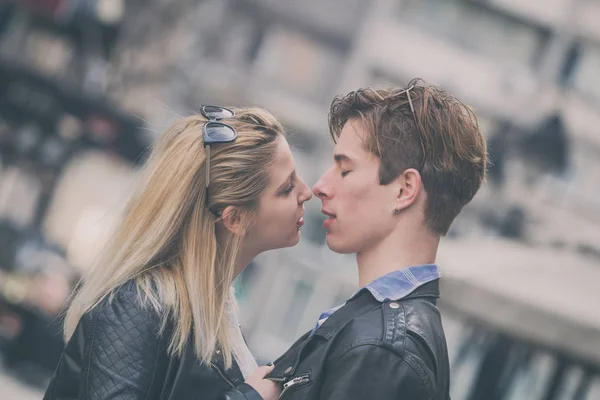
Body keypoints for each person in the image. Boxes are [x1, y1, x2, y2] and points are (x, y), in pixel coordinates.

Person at [43, 106, 312, 400]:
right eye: (287, 188)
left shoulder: (213, 311)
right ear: (235, 219)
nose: (307, 192)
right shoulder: (137, 308)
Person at [267, 79, 487, 399]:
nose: (320, 186)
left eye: (344, 169)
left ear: (403, 190)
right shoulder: (385, 334)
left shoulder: (382, 351)